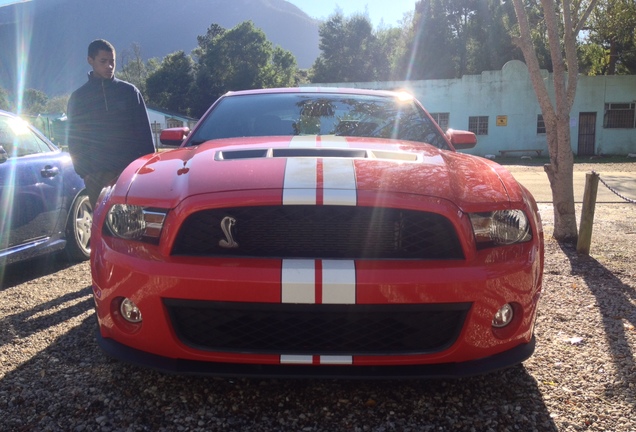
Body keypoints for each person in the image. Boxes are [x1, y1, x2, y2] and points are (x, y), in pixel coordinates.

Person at [67, 39, 156, 208]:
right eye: (103, 61)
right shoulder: (79, 98)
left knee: (135, 225)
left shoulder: (129, 92)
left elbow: (144, 134)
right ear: (90, 61)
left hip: (130, 172)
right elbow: (74, 139)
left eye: (112, 61)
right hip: (96, 175)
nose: (109, 66)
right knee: (104, 227)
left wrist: (145, 169)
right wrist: (85, 172)